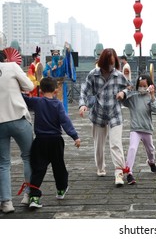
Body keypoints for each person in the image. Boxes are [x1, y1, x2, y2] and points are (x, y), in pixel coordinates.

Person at [23, 77, 81, 208]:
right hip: (55, 140)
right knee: (58, 166)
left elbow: (23, 99)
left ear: (41, 89)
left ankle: (34, 197)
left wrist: (18, 90)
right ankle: (61, 190)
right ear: (56, 89)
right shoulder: (58, 104)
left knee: (38, 168)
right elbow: (65, 122)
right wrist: (75, 137)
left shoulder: (37, 102)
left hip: (40, 141)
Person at [78, 48, 132, 186]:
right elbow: (84, 91)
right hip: (98, 114)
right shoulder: (93, 75)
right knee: (99, 145)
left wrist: (123, 93)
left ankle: (118, 172)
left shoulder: (118, 75)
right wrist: (82, 105)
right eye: (109, 63)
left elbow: (130, 87)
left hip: (115, 113)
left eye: (113, 63)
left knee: (115, 143)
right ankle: (100, 168)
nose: (111, 66)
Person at [0, 51, 34, 213]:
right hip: (18, 117)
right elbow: (30, 86)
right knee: (28, 157)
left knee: (3, 164)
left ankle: (6, 202)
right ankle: (29, 194)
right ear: (5, 58)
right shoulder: (12, 66)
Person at [122, 74, 156, 185]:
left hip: (147, 129)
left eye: (145, 86)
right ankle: (129, 172)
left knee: (150, 150)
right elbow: (123, 100)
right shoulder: (133, 97)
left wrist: (152, 96)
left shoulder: (150, 97)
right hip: (135, 128)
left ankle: (151, 162)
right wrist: (127, 90)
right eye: (140, 86)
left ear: (149, 86)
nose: (142, 88)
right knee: (132, 148)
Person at [43, 44, 76, 113]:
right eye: (54, 54)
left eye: (57, 54)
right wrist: (51, 69)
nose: (56, 56)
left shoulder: (62, 63)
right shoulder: (49, 64)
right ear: (52, 55)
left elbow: (67, 60)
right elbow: (44, 73)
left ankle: (62, 116)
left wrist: (67, 51)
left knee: (62, 103)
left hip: (61, 85)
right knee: (52, 103)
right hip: (51, 86)